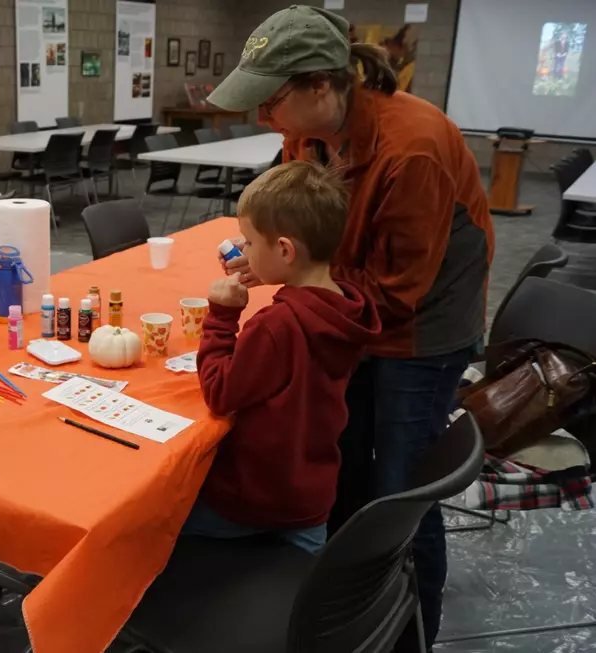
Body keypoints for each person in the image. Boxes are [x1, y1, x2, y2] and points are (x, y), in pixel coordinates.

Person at [207, 6, 493, 649]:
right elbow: (311, 227)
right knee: (346, 464)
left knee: (398, 492)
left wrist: (307, 282)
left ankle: (409, 630)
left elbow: (396, 293)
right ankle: (337, 609)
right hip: (353, 302)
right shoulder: (306, 134)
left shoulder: (410, 148)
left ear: (321, 86)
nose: (262, 118)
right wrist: (281, 255)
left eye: (271, 101)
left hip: (421, 326)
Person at [186, 161, 380, 554]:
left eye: (250, 243)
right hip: (311, 500)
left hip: (253, 501)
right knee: (302, 589)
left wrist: (221, 317)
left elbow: (221, 392)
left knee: (156, 523)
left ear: (285, 250)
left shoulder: (278, 325)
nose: (245, 251)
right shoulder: (348, 307)